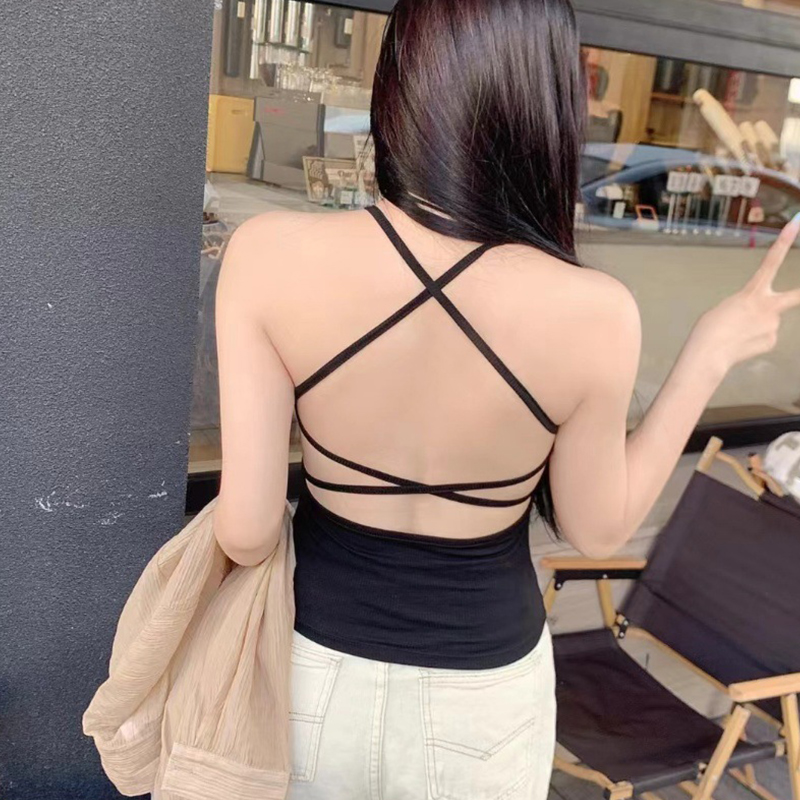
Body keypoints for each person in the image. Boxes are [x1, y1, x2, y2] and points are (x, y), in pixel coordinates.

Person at [211, 0, 800, 797]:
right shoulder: (594, 312)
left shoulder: (268, 255)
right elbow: (596, 530)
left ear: (397, 85)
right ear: (548, 102)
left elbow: (246, 534)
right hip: (484, 702)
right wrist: (712, 350)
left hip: (308, 675)